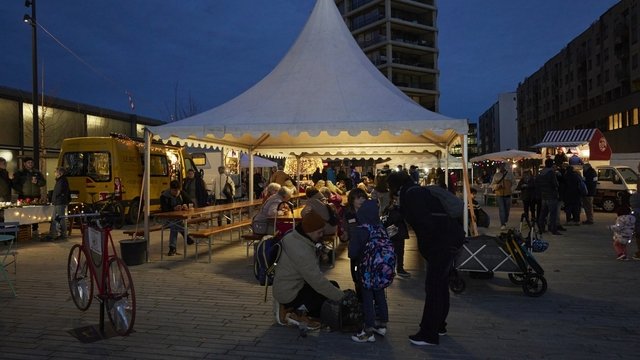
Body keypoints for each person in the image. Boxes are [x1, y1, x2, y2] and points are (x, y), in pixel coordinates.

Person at [387, 171, 464, 346]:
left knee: (434, 288)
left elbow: (425, 223)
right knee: (441, 286)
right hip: (450, 239)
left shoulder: (411, 194)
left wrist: (428, 249)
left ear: (395, 186)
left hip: (441, 243)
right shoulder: (417, 191)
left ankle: (429, 334)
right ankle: (439, 326)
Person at [273, 211, 345, 329]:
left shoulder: (294, 236)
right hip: (290, 293)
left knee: (333, 286)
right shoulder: (301, 249)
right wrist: (342, 298)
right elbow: (316, 281)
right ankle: (293, 312)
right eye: (319, 232)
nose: (321, 235)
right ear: (309, 232)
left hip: (290, 286)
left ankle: (293, 308)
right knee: (324, 302)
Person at [349, 199, 391, 343]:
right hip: (381, 269)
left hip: (366, 269)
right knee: (379, 294)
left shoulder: (361, 230)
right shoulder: (380, 227)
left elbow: (352, 253)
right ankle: (382, 324)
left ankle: (368, 330)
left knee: (367, 297)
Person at [13, 157, 46, 239]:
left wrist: (37, 182)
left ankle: (35, 229)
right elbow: (14, 183)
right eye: (28, 162)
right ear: (24, 164)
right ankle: (24, 231)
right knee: (24, 213)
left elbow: (43, 182)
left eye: (31, 162)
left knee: (35, 213)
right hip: (24, 196)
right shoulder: (20, 173)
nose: (30, 164)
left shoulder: (37, 172)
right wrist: (21, 190)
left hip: (35, 196)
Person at [160, 180, 195, 256]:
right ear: (170, 189)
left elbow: (191, 202)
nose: (176, 193)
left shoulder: (181, 194)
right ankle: (186, 236)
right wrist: (173, 208)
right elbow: (164, 210)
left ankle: (172, 248)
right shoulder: (164, 196)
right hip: (166, 220)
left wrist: (186, 206)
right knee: (174, 223)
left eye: (178, 191)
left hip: (179, 219)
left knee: (175, 224)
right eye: (174, 191)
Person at [383, 195, 410, 277]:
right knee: (398, 251)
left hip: (393, 232)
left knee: (395, 251)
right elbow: (396, 219)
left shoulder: (388, 208)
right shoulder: (395, 209)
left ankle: (394, 269)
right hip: (396, 232)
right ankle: (398, 269)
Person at [536, 159, 561, 235]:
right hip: (552, 195)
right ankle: (553, 229)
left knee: (543, 213)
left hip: (544, 195)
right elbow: (555, 184)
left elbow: (537, 183)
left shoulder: (541, 172)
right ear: (551, 164)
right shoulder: (551, 172)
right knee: (553, 213)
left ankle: (541, 228)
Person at [45, 167, 70, 241]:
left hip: (59, 202)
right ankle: (55, 233)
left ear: (60, 173)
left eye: (56, 172)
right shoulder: (61, 180)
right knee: (57, 218)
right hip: (59, 201)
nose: (55, 173)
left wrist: (53, 198)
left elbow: (58, 191)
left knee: (60, 218)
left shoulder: (61, 181)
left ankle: (62, 234)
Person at [490, 163, 514, 230]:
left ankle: (505, 220)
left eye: (503, 165)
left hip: (508, 194)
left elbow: (514, 183)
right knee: (502, 210)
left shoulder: (510, 175)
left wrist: (510, 189)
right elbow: (492, 185)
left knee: (507, 209)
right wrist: (497, 186)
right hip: (499, 194)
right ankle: (502, 223)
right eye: (500, 166)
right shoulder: (496, 175)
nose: (502, 167)